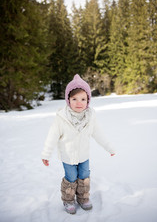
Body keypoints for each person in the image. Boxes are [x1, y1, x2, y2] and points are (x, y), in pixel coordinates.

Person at [41, 74, 116, 215]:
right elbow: (51, 137)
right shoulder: (61, 118)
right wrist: (46, 154)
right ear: (68, 100)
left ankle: (83, 198)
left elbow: (99, 134)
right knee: (70, 178)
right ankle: (68, 200)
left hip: (84, 155)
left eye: (83, 99)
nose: (78, 102)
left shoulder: (90, 117)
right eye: (74, 99)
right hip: (68, 157)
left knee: (84, 176)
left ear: (88, 100)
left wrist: (109, 147)